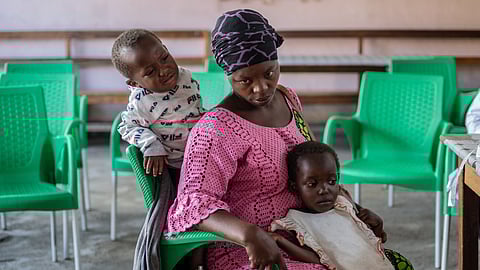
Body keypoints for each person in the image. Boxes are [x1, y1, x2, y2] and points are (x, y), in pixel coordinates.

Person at [167, 8, 359, 270]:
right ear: (229, 76)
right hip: (248, 254)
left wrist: (351, 209)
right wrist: (250, 234)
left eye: (269, 73)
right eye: (245, 80)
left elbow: (315, 166)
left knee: (387, 261)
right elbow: (193, 205)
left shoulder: (288, 99)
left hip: (307, 238)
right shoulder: (216, 129)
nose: (261, 88)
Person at [269, 141, 413, 270]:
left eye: (331, 181)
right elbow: (316, 259)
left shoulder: (343, 206)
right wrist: (280, 240)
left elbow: (370, 243)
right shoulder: (298, 221)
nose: (324, 190)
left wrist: (377, 225)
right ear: (295, 187)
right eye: (312, 184)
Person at [111, 29, 204, 181]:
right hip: (172, 167)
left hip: (202, 157)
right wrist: (152, 145)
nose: (164, 70)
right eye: (150, 71)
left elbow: (195, 109)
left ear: (166, 49)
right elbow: (127, 127)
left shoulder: (185, 77)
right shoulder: (142, 100)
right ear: (135, 83)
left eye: (164, 58)